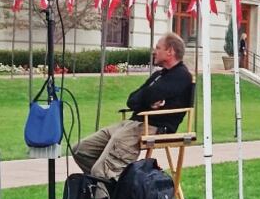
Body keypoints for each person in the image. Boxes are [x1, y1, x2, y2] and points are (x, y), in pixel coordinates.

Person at [72, 33, 193, 184]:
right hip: (133, 122)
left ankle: (107, 192)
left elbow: (147, 95)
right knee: (80, 149)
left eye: (158, 47)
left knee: (101, 171)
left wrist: (146, 98)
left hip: (153, 126)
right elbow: (132, 100)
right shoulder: (158, 75)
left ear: (170, 51)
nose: (154, 51)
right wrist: (148, 102)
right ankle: (115, 187)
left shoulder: (182, 76)